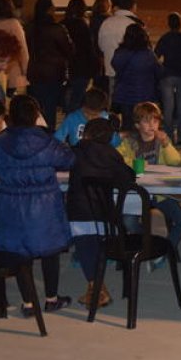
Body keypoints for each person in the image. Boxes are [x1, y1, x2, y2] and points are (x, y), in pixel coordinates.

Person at [0, 95, 74, 316]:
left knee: (19, 252)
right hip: (44, 207)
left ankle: (28, 303)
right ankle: (51, 298)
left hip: (11, 205)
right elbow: (69, 160)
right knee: (49, 251)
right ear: (37, 116)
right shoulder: (47, 141)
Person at [67, 117, 134, 310]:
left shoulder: (76, 152)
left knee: (85, 246)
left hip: (79, 211)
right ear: (110, 138)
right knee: (98, 245)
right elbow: (126, 178)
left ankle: (94, 286)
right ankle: (97, 288)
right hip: (104, 214)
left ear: (85, 134)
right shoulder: (112, 155)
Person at [116, 102, 181, 257]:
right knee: (128, 222)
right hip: (136, 193)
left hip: (160, 192)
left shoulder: (161, 140)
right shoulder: (129, 142)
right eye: (146, 121)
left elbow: (176, 162)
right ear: (137, 125)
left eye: (155, 121)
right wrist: (136, 164)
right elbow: (118, 159)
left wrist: (166, 145)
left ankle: (164, 251)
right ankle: (148, 243)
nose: (152, 125)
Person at [25, 0, 73, 132]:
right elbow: (69, 49)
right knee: (50, 107)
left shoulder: (29, 28)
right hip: (53, 73)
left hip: (34, 71)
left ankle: (35, 133)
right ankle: (48, 135)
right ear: (49, 10)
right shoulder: (57, 28)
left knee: (35, 107)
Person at [155, 12, 181, 145]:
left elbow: (156, 57)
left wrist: (163, 69)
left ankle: (168, 137)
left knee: (168, 108)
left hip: (167, 75)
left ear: (168, 24)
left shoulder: (164, 38)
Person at [111, 23, 160, 130]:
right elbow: (158, 72)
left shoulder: (120, 53)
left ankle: (126, 146)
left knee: (127, 124)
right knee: (143, 125)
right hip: (144, 95)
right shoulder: (148, 54)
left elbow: (114, 65)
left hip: (124, 95)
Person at [61, 0, 98, 114]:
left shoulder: (62, 24)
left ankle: (68, 119)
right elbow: (89, 48)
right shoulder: (83, 25)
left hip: (65, 66)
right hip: (81, 67)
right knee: (77, 97)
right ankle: (73, 122)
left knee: (69, 94)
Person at [97, 0, 139, 92]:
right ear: (133, 7)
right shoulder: (134, 23)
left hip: (110, 68)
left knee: (113, 96)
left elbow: (101, 46)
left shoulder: (107, 22)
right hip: (129, 70)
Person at [55, 87, 120, 148]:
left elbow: (114, 142)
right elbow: (57, 138)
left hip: (98, 156)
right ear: (82, 107)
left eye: (94, 115)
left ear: (102, 111)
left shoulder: (107, 120)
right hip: (78, 154)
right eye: (86, 113)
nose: (90, 117)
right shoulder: (72, 118)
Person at [88, 0, 112, 94]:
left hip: (95, 56)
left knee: (97, 84)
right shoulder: (109, 20)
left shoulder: (92, 20)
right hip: (105, 55)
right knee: (106, 85)